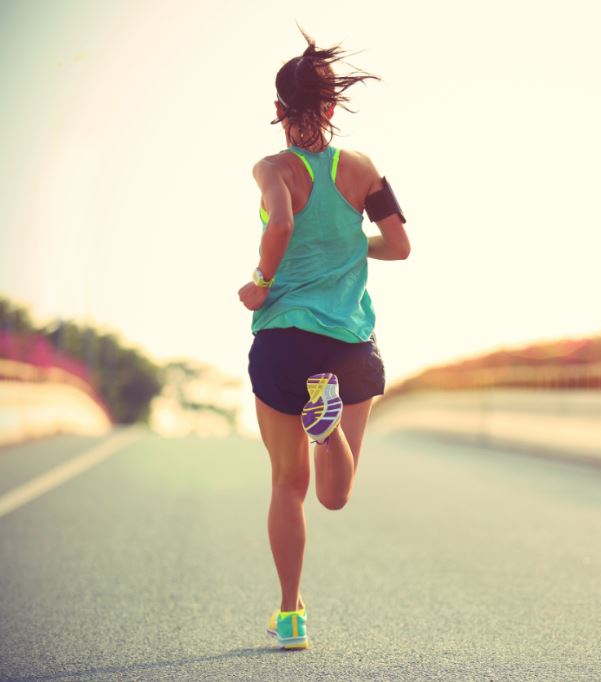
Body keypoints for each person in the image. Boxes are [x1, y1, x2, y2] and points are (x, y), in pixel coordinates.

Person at [238, 32, 410, 651]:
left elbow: (281, 221)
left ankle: (290, 615)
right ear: (334, 108)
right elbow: (400, 245)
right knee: (336, 494)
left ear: (279, 110)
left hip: (285, 340)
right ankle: (328, 425)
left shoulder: (272, 168)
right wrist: (349, 244)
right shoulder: (362, 169)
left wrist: (261, 282)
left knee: (288, 484)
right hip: (349, 346)